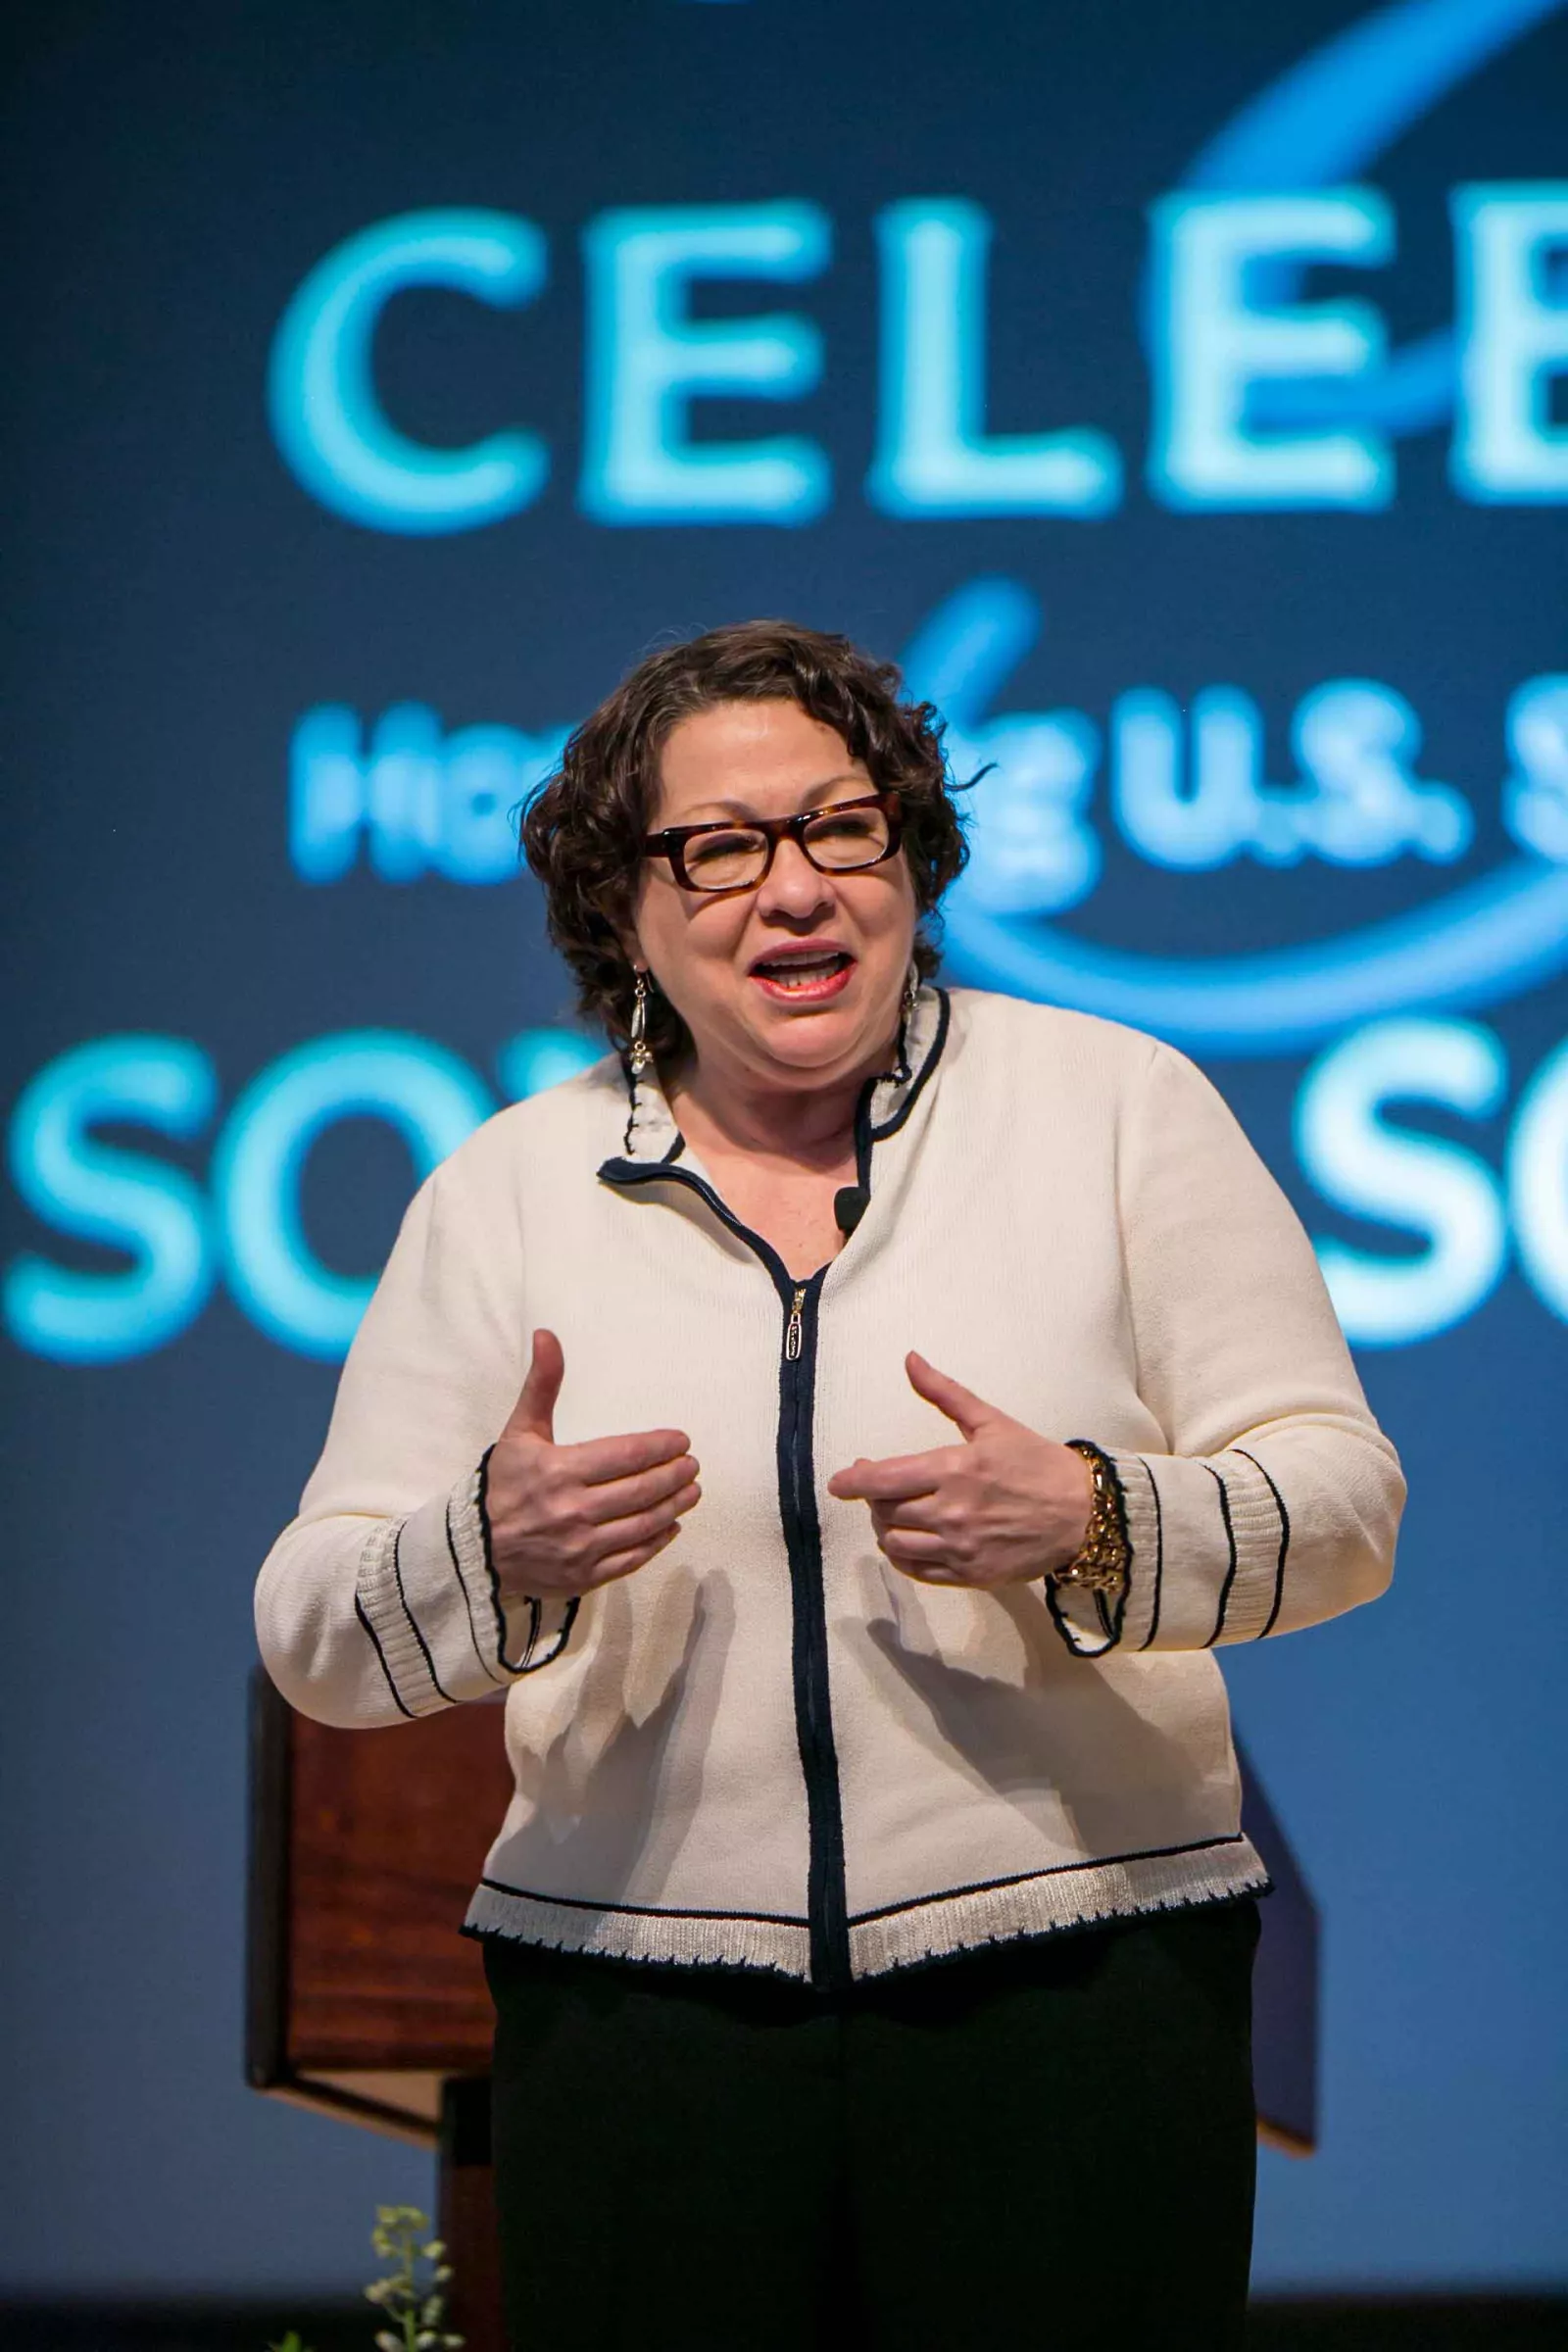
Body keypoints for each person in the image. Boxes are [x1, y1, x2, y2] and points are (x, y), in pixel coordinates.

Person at [256, 619, 1404, 2351]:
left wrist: (1096, 1516)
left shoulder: (1114, 1110)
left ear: (911, 860)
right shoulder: (506, 1194)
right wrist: (493, 1554)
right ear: (623, 910)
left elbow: (1342, 1502)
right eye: (718, 849)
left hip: (1080, 1994)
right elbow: (317, 1633)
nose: (792, 888)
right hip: (636, 2031)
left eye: (840, 827)